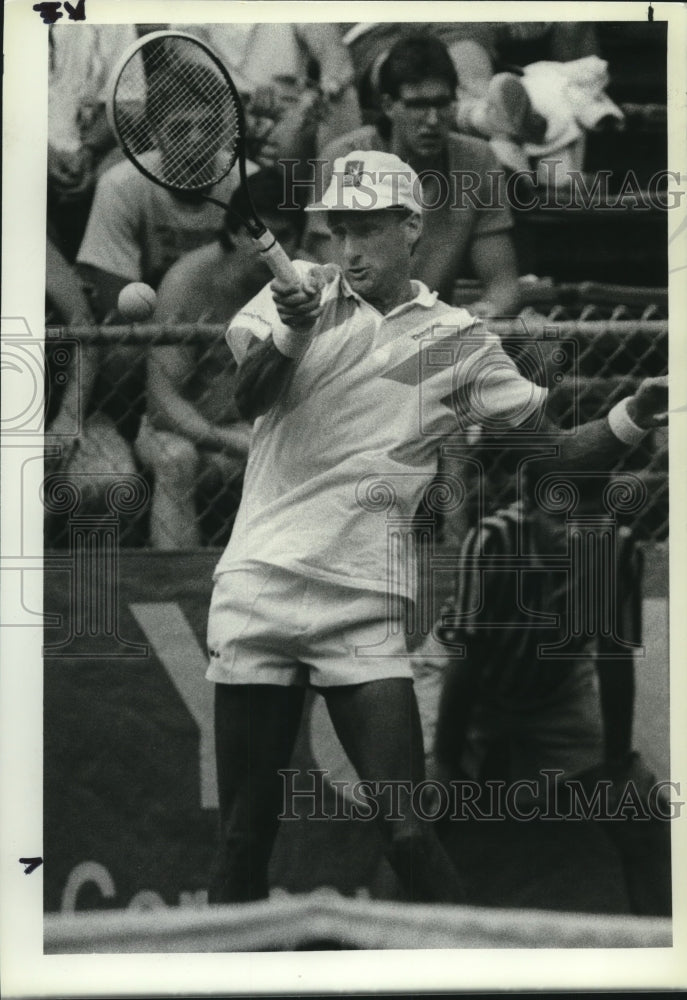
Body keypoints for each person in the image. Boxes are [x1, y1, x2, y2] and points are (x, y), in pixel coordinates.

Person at [204, 148, 669, 904]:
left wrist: (631, 415)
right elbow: (245, 399)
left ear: (409, 226)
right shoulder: (290, 298)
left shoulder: (456, 340)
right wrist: (291, 333)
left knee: (411, 835)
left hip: (360, 604)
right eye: (336, 228)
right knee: (241, 842)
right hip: (259, 586)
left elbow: (552, 456)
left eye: (365, 228)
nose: (346, 247)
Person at [135, 168, 304, 549]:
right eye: (260, 236)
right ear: (233, 232)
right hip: (186, 429)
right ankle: (178, 590)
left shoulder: (306, 284)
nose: (273, 251)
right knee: (175, 460)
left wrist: (263, 439)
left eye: (285, 237)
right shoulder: (187, 282)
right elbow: (163, 405)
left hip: (262, 427)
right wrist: (229, 440)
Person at [303, 34, 520, 317]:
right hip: (353, 327)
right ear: (389, 105)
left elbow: (503, 284)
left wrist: (481, 315)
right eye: (418, 104)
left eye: (442, 104)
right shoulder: (345, 160)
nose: (432, 120)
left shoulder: (477, 160)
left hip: (433, 330)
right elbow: (333, 277)